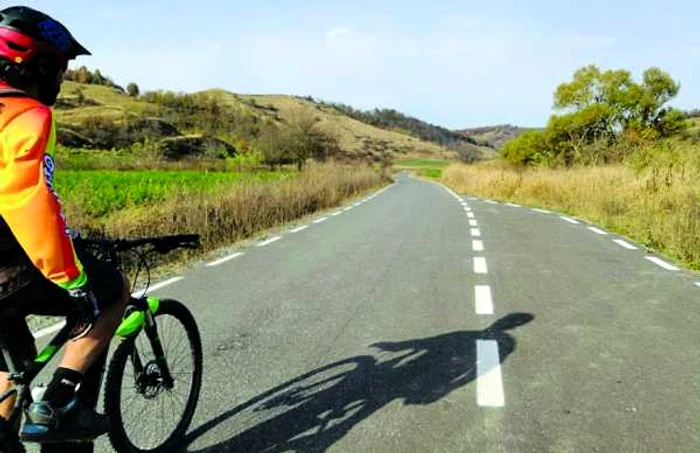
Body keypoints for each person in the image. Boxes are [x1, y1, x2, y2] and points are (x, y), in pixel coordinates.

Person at [0, 6, 130, 443]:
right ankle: (57, 405)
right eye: (59, 66)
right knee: (110, 291)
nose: (61, 78)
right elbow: (28, 200)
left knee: (12, 360)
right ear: (35, 64)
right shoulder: (26, 116)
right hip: (5, 272)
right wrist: (72, 278)